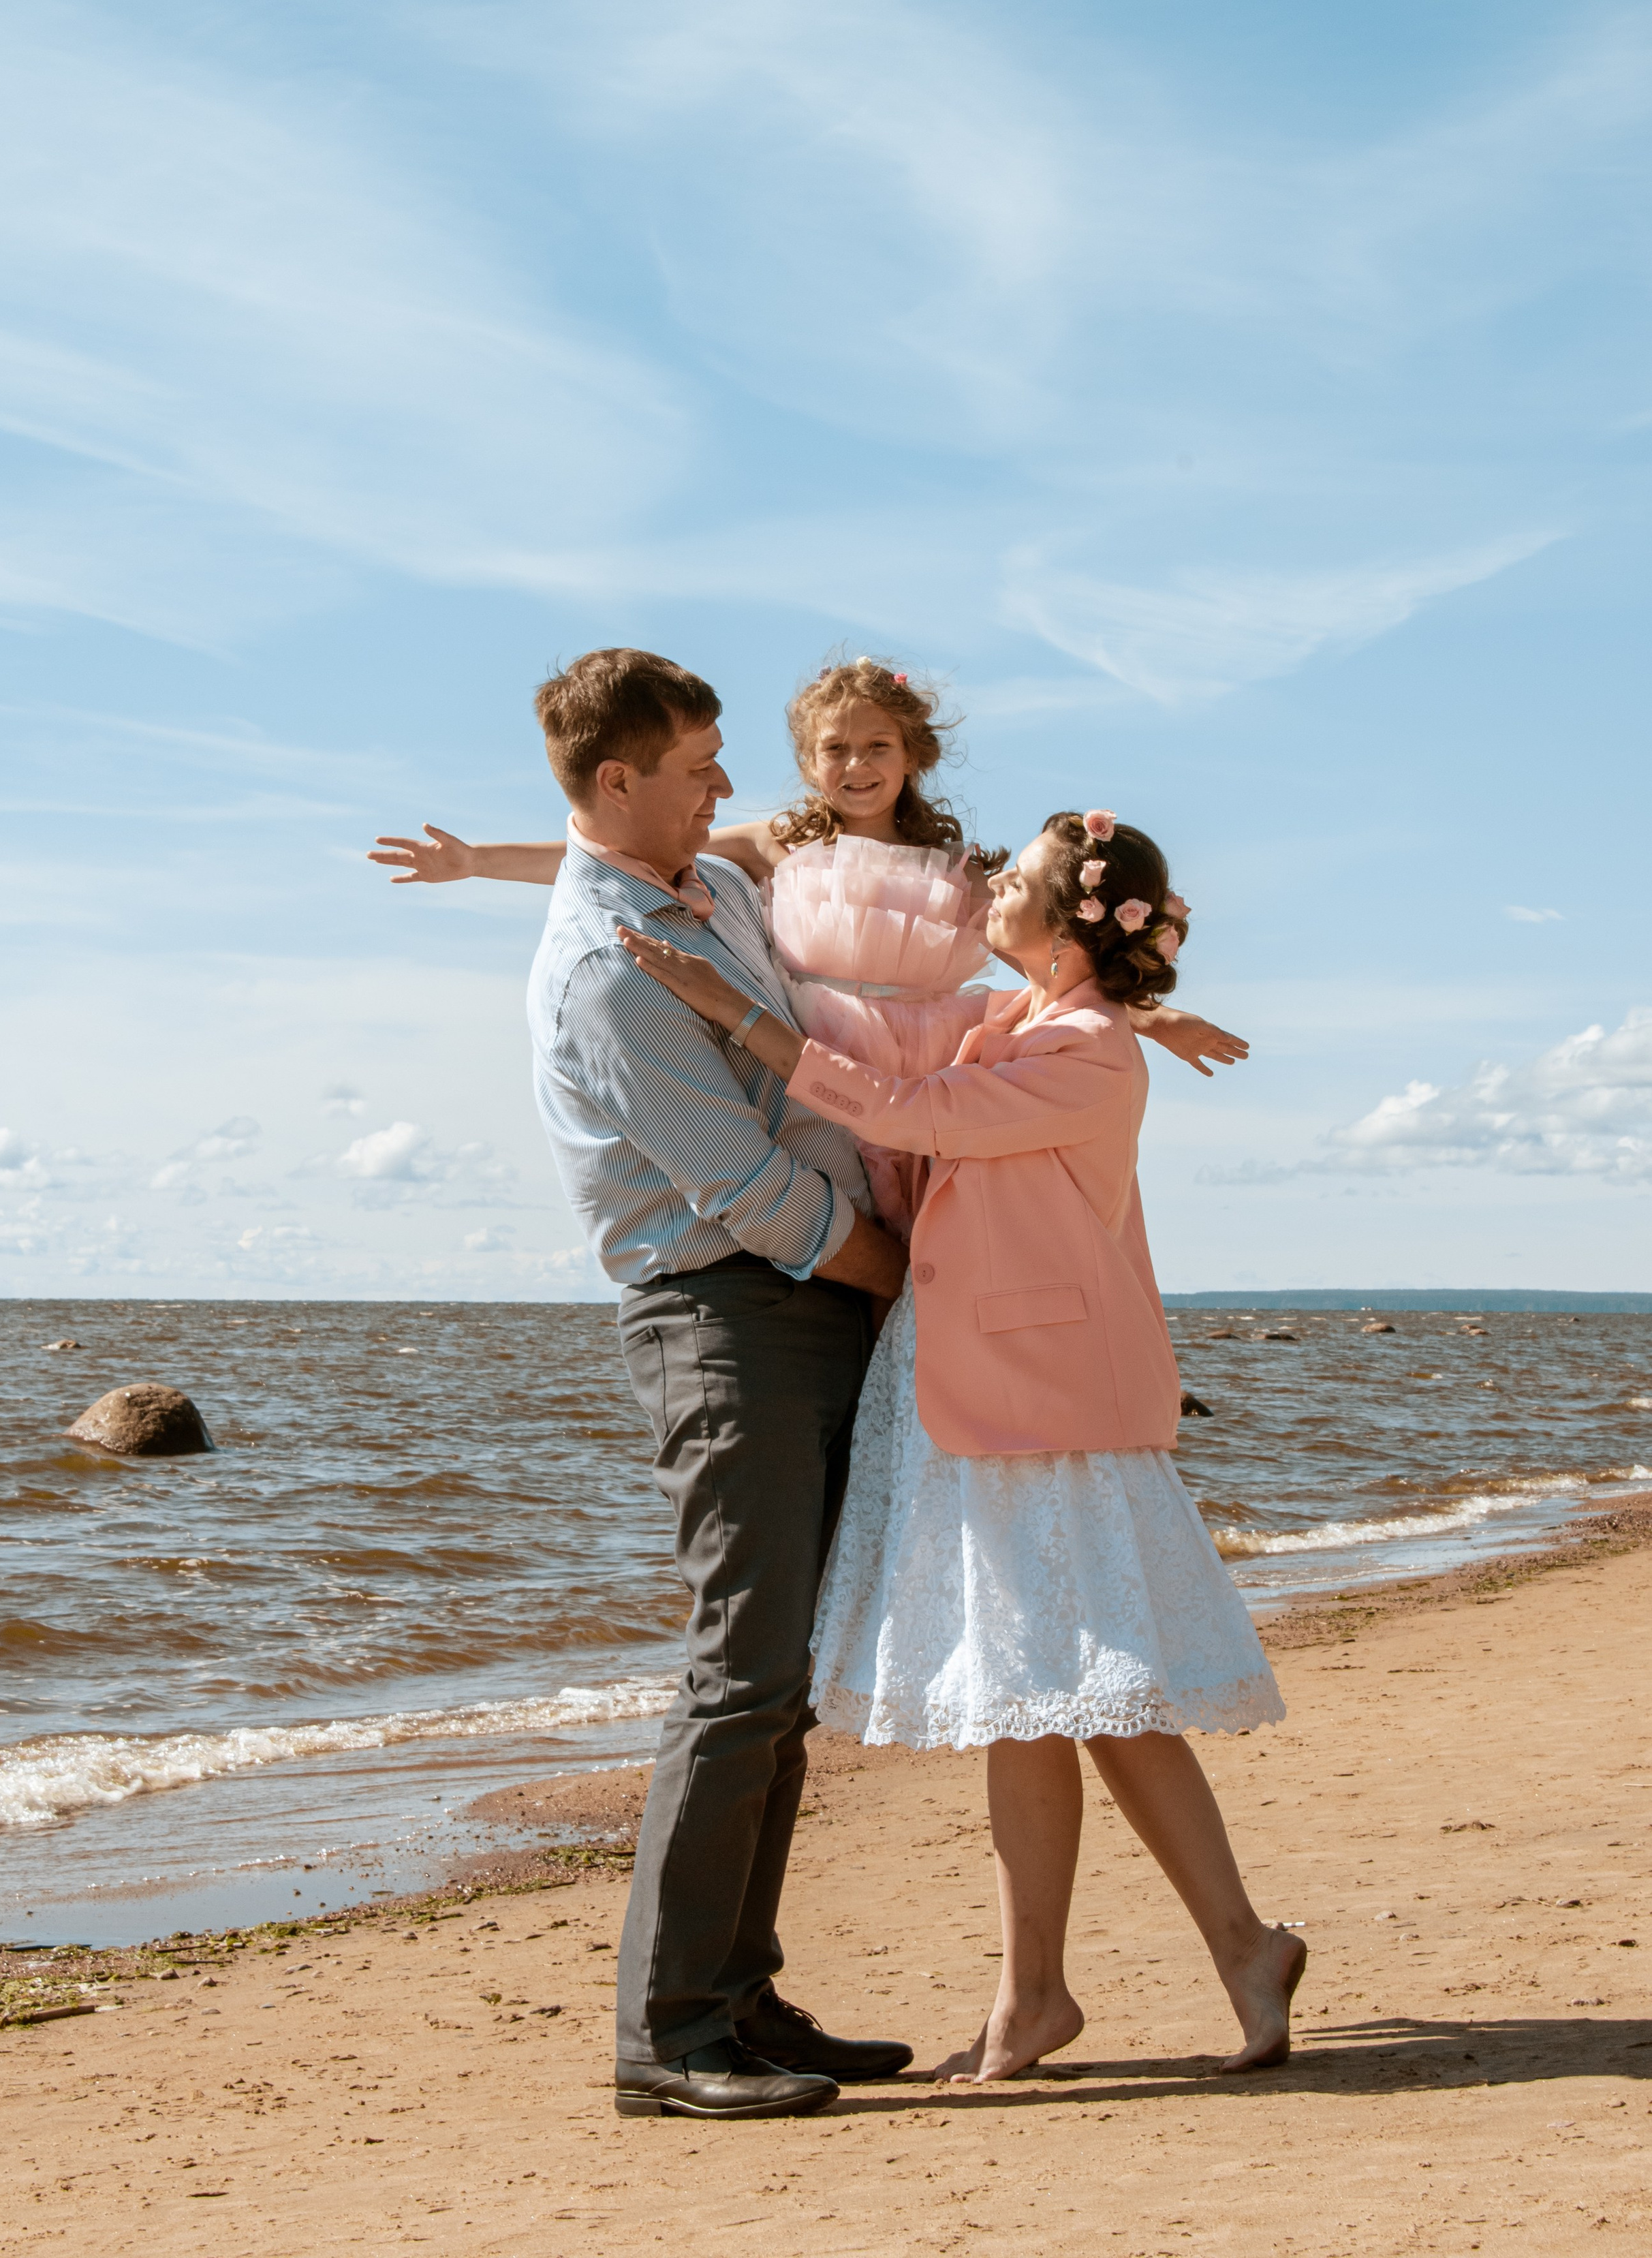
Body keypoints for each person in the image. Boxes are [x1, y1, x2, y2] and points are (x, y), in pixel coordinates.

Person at [618, 808, 1306, 2086]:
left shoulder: (1089, 1050)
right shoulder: (1028, 1024)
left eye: (1017, 887)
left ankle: (1191, 1957)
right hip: (988, 1395)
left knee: (1083, 1694)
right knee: (1044, 1701)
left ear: (1069, 924)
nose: (988, 894)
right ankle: (1060, 1992)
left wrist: (730, 1010)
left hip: (1041, 1410)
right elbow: (877, 1023)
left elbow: (908, 1108)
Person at [499, 647, 915, 2122]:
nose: (727, 785)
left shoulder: (715, 892)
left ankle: (738, 1996)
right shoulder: (607, 966)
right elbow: (743, 1188)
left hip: (806, 1302)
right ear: (616, 783)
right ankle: (669, 2035)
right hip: (726, 1314)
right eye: (696, 766)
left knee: (778, 1681)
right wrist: (899, 1270)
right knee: (738, 1672)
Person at [369, 655, 1247, 1235]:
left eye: (878, 746)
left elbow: (1055, 958)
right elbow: (619, 846)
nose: (856, 764)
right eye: (834, 748)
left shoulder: (962, 868)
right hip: (813, 1056)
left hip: (934, 1066)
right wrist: (474, 861)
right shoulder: (777, 844)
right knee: (848, 1236)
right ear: (807, 757)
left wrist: (1154, 1015)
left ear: (914, 755)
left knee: (935, 1241)